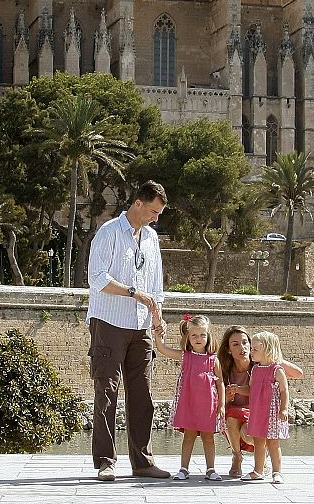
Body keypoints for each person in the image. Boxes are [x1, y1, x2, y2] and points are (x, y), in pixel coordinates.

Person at [85, 180, 170, 482]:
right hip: (108, 322)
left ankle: (143, 462)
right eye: (152, 211)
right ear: (138, 203)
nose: (155, 218)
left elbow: (156, 285)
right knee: (106, 391)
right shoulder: (108, 233)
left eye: (158, 213)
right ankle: (106, 462)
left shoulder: (151, 238)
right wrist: (135, 293)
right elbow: (97, 279)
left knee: (143, 394)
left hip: (142, 326)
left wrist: (158, 315)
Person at [218, 325, 303, 478]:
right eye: (235, 344)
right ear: (228, 349)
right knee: (233, 418)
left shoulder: (264, 366)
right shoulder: (225, 369)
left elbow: (296, 376)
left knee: (269, 441)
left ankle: (268, 466)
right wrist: (231, 393)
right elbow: (241, 392)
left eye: (246, 343)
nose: (243, 348)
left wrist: (272, 356)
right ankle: (238, 457)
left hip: (262, 414)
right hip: (243, 416)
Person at [153, 314, 225, 481]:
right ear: (188, 337)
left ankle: (211, 469)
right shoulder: (185, 356)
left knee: (208, 437)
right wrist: (158, 335)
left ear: (208, 336)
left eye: (202, 335)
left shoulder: (213, 360)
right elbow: (163, 349)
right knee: (189, 436)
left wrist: (222, 404)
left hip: (208, 405)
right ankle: (184, 468)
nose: (198, 338)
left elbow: (220, 382)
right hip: (189, 403)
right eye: (194, 335)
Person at [241, 331, 290, 484]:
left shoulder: (277, 370)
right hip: (257, 412)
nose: (251, 352)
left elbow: (284, 390)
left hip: (272, 413)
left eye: (255, 349)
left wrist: (284, 409)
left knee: (273, 443)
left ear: (267, 350)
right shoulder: (255, 370)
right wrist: (237, 389)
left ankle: (277, 471)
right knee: (258, 442)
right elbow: (250, 389)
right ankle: (258, 470)